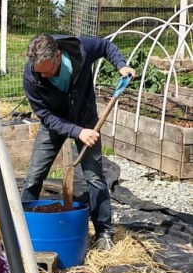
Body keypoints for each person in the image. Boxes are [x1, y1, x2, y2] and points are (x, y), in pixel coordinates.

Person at [21, 34, 136, 251]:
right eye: (38, 70)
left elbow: (105, 46)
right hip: (54, 123)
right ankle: (24, 229)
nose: (42, 75)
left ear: (58, 56)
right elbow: (44, 115)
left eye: (46, 70)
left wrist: (121, 66)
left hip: (85, 117)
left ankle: (103, 232)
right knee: (34, 176)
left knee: (94, 176)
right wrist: (76, 131)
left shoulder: (80, 50)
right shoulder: (32, 76)